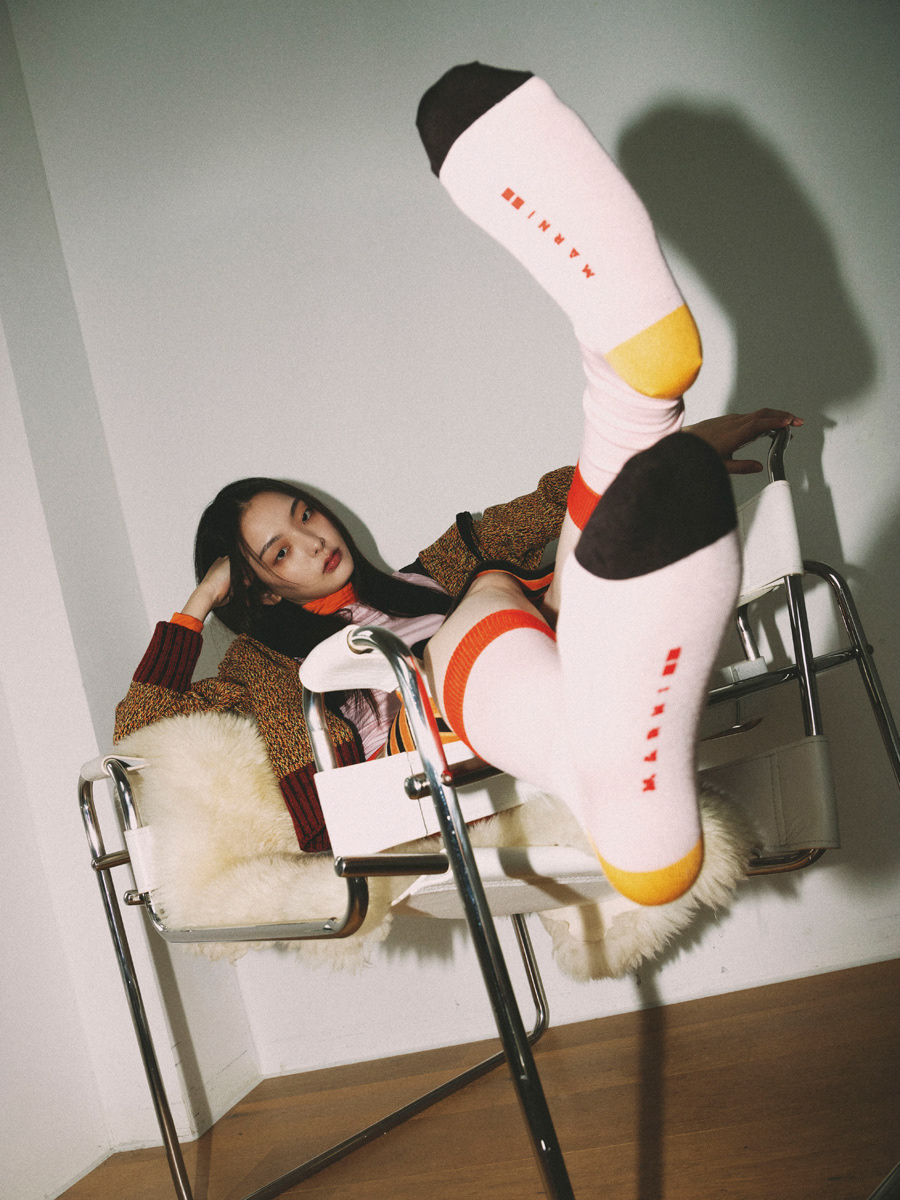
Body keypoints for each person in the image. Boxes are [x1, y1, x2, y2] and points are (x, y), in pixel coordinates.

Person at [115, 63, 801, 903]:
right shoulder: (262, 667)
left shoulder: (426, 572)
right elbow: (139, 732)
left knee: (533, 566)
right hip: (415, 760)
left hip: (543, 662)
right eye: (279, 551)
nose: (314, 540)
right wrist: (197, 605)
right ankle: (630, 399)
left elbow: (544, 507)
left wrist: (685, 448)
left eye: (305, 515)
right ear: (259, 586)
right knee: (492, 588)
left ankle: (636, 392)